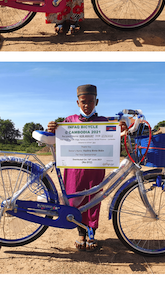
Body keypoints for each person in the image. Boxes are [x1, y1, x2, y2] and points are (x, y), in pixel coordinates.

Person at [46, 84, 127, 251]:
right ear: (77, 102)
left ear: (96, 101)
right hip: (74, 170)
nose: (87, 105)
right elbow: (56, 138)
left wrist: (122, 127)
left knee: (93, 200)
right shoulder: (69, 121)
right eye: (83, 102)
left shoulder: (104, 122)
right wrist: (52, 128)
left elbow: (116, 136)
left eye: (91, 101)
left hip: (95, 170)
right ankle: (80, 233)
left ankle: (91, 232)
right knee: (75, 200)